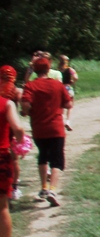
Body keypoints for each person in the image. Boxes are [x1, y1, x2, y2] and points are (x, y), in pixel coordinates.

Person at [21, 57, 72, 207]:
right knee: (56, 159)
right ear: (48, 69)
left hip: (39, 128)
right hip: (56, 128)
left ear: (35, 71)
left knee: (43, 155)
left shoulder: (31, 86)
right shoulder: (57, 85)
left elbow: (25, 105)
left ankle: (43, 187)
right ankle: (53, 190)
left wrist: (27, 112)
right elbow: (68, 103)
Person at [0, 92, 25, 237]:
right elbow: (18, 128)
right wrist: (19, 143)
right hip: (1, 158)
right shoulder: (6, 103)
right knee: (2, 206)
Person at [0, 67, 23, 201]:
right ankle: (14, 187)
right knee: (13, 158)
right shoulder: (16, 91)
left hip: (3, 127)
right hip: (10, 128)